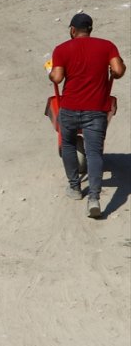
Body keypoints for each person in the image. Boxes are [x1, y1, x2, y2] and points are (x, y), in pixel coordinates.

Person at [49, 13, 125, 218]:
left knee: (68, 145)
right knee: (94, 153)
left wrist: (51, 73)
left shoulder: (62, 48)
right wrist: (112, 71)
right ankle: (94, 198)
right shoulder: (107, 46)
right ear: (90, 29)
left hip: (70, 108)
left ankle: (74, 188)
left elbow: (56, 77)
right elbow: (118, 70)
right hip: (97, 110)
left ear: (73, 30)